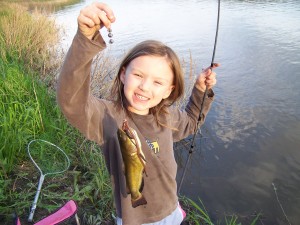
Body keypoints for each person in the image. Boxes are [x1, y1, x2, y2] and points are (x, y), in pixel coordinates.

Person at [57, 2, 219, 225]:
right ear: (123, 75)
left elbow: (192, 122)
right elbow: (71, 102)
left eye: (157, 82)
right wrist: (85, 39)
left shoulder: (167, 117)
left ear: (168, 91)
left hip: (171, 209)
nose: (145, 87)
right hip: (135, 219)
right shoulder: (108, 117)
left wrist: (201, 91)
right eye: (138, 75)